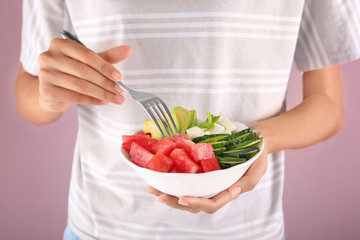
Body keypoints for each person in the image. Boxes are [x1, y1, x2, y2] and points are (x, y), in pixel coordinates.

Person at [15, 0, 360, 239]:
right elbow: (29, 93)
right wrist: (50, 93)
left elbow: (327, 104)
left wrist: (254, 143)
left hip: (245, 231)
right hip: (100, 229)